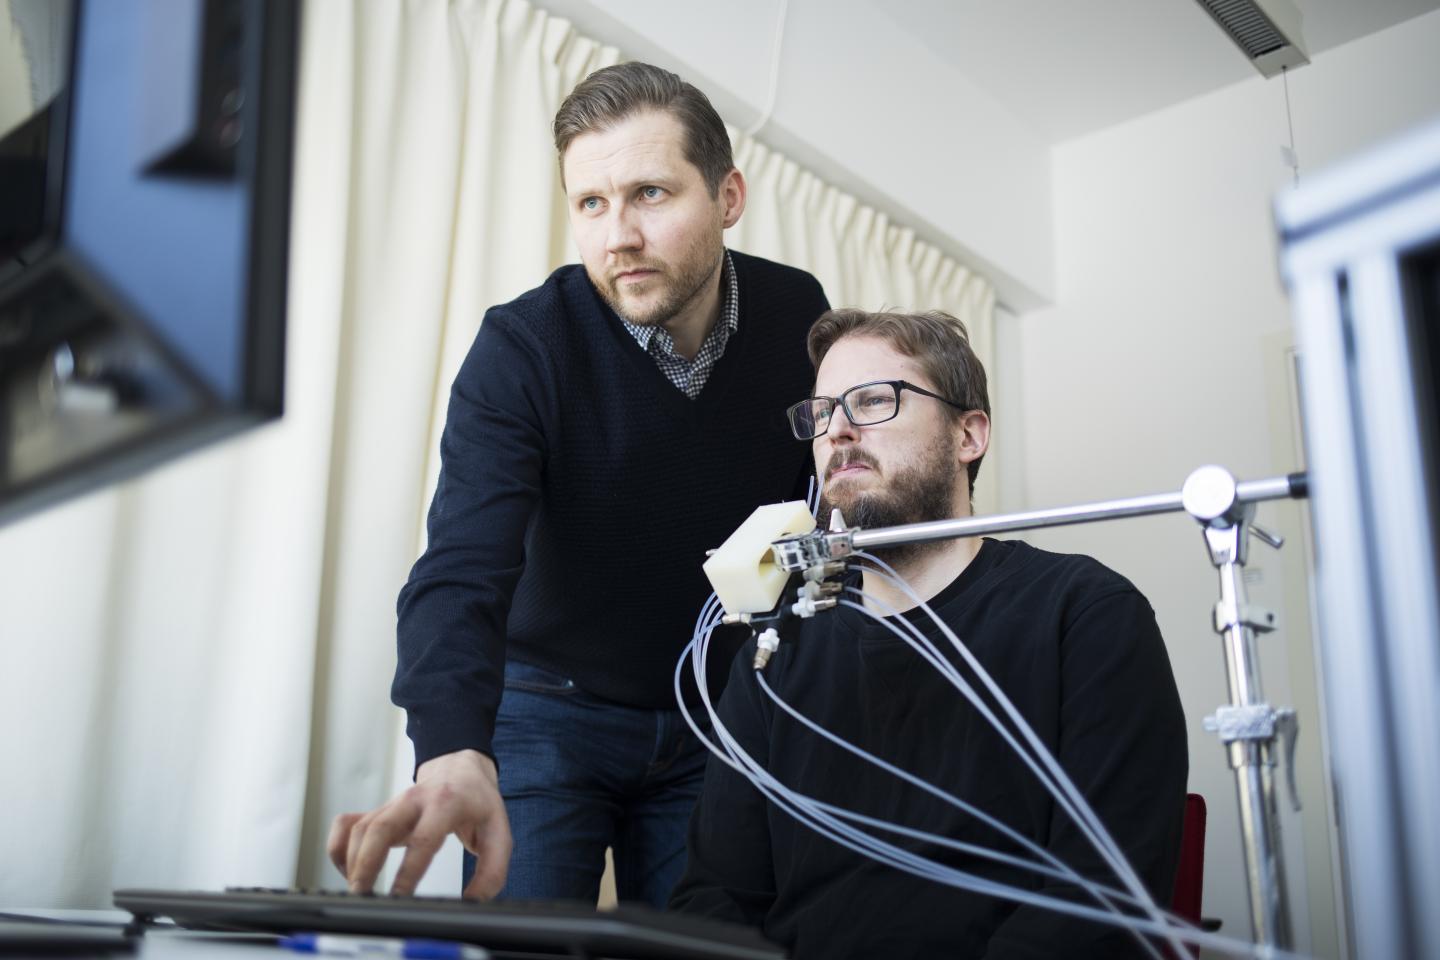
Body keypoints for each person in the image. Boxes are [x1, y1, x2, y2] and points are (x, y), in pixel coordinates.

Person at [327, 63, 830, 905]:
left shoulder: (797, 315)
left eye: (650, 194)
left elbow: (820, 515)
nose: (617, 236)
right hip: (546, 708)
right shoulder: (523, 349)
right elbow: (461, 568)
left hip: (717, 708)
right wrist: (452, 748)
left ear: (729, 196)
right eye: (591, 204)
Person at [670, 308, 1188, 958]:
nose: (839, 430)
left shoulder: (1084, 616)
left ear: (969, 434)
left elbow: (1105, 900)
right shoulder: (777, 650)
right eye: (823, 411)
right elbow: (715, 897)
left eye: (874, 401)